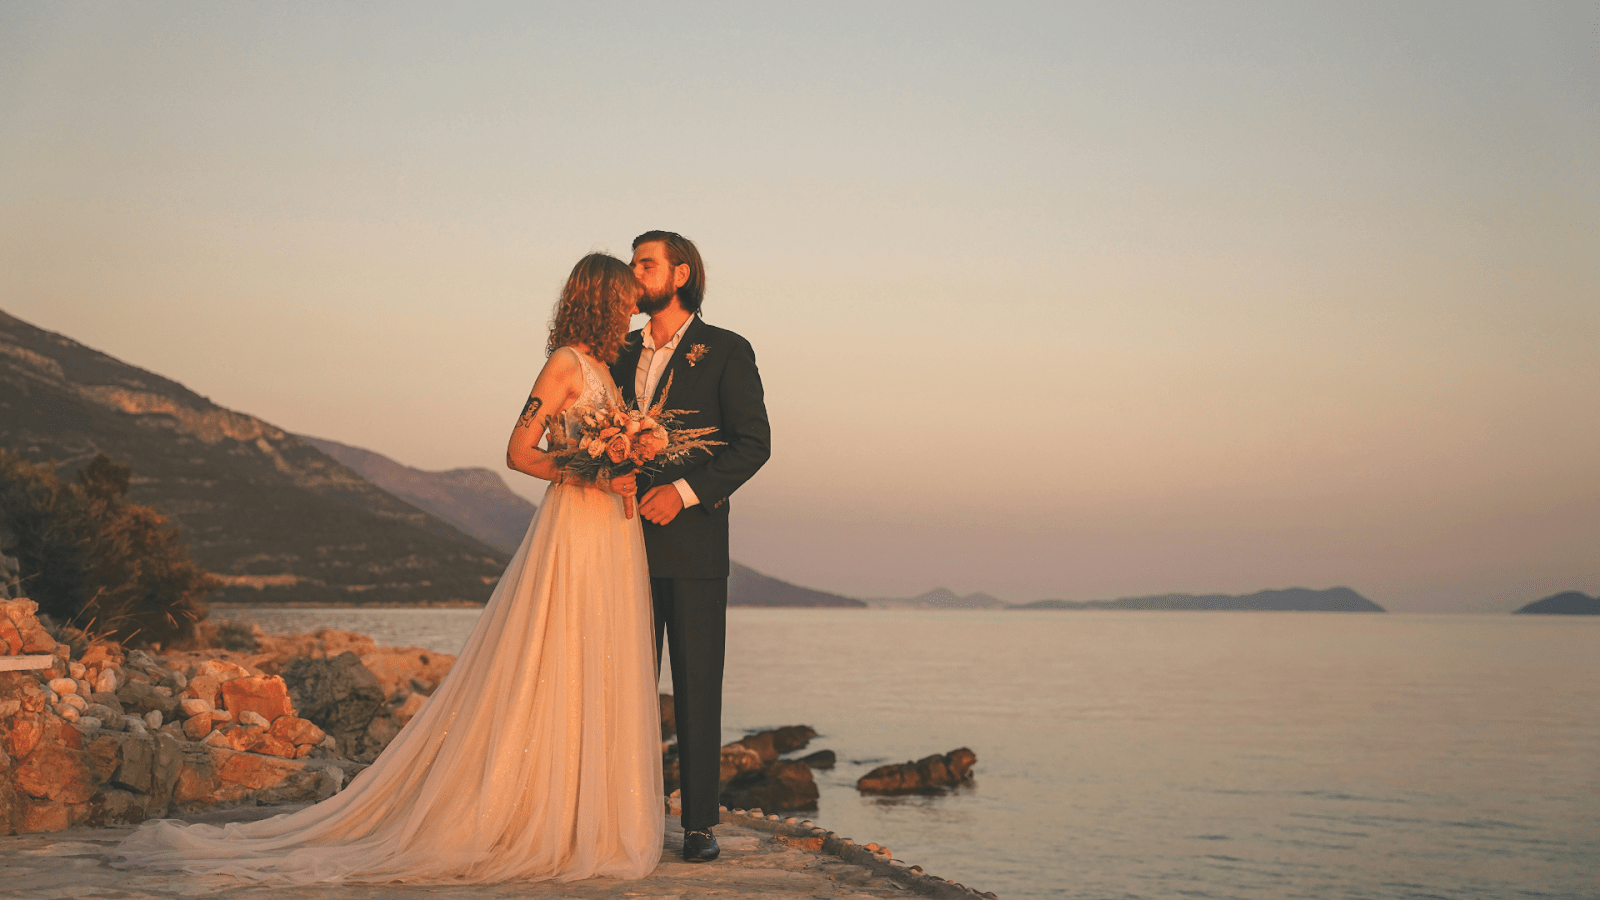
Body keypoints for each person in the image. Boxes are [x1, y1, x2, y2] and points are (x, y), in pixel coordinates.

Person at [111, 253, 664, 884]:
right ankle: (527, 811)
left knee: (595, 656)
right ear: (601, 299)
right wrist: (586, 469)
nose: (634, 306)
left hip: (610, 531)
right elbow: (518, 452)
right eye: (625, 297)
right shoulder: (565, 364)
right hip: (574, 527)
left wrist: (624, 466)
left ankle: (578, 813)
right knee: (556, 653)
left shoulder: (605, 371)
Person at [609, 230, 770, 863]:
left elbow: (753, 444)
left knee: (698, 685)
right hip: (617, 540)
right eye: (632, 263)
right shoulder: (616, 350)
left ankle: (699, 824)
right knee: (623, 685)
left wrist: (682, 492)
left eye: (645, 263)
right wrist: (608, 472)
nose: (633, 273)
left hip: (695, 546)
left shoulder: (727, 349)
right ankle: (624, 815)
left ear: (680, 274)